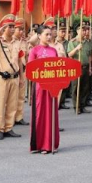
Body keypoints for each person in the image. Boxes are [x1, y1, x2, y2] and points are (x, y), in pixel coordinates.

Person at [28, 24, 60, 154]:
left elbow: (59, 68)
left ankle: (49, 145)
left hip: (52, 87)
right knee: (40, 114)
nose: (49, 36)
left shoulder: (54, 51)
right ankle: (38, 144)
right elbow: (30, 70)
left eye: (50, 34)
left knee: (51, 114)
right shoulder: (34, 51)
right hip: (40, 88)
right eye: (46, 34)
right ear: (39, 36)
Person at [67, 22, 92, 114]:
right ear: (77, 31)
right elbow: (70, 54)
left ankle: (82, 105)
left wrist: (91, 67)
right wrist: (76, 48)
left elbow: (90, 55)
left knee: (85, 87)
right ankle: (76, 106)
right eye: (82, 30)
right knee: (76, 87)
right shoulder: (73, 42)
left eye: (85, 30)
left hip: (86, 67)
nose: (84, 32)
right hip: (76, 67)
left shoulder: (87, 42)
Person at [13, 18, 30, 127]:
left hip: (23, 71)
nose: (21, 32)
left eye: (22, 29)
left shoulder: (24, 42)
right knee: (12, 97)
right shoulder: (10, 41)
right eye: (19, 29)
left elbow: (27, 56)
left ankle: (19, 117)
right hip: (13, 72)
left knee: (21, 96)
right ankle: (11, 118)